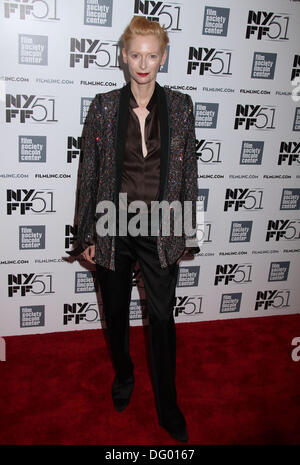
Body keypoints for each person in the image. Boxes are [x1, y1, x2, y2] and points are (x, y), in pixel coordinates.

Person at [69, 16, 199, 443]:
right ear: (124, 57)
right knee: (118, 316)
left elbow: (187, 174)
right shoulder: (105, 106)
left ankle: (168, 404)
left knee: (162, 318)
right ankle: (124, 376)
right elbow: (89, 173)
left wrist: (187, 232)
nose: (144, 64)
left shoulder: (181, 106)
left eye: (152, 55)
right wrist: (85, 235)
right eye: (136, 54)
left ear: (163, 58)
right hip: (111, 224)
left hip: (160, 228)